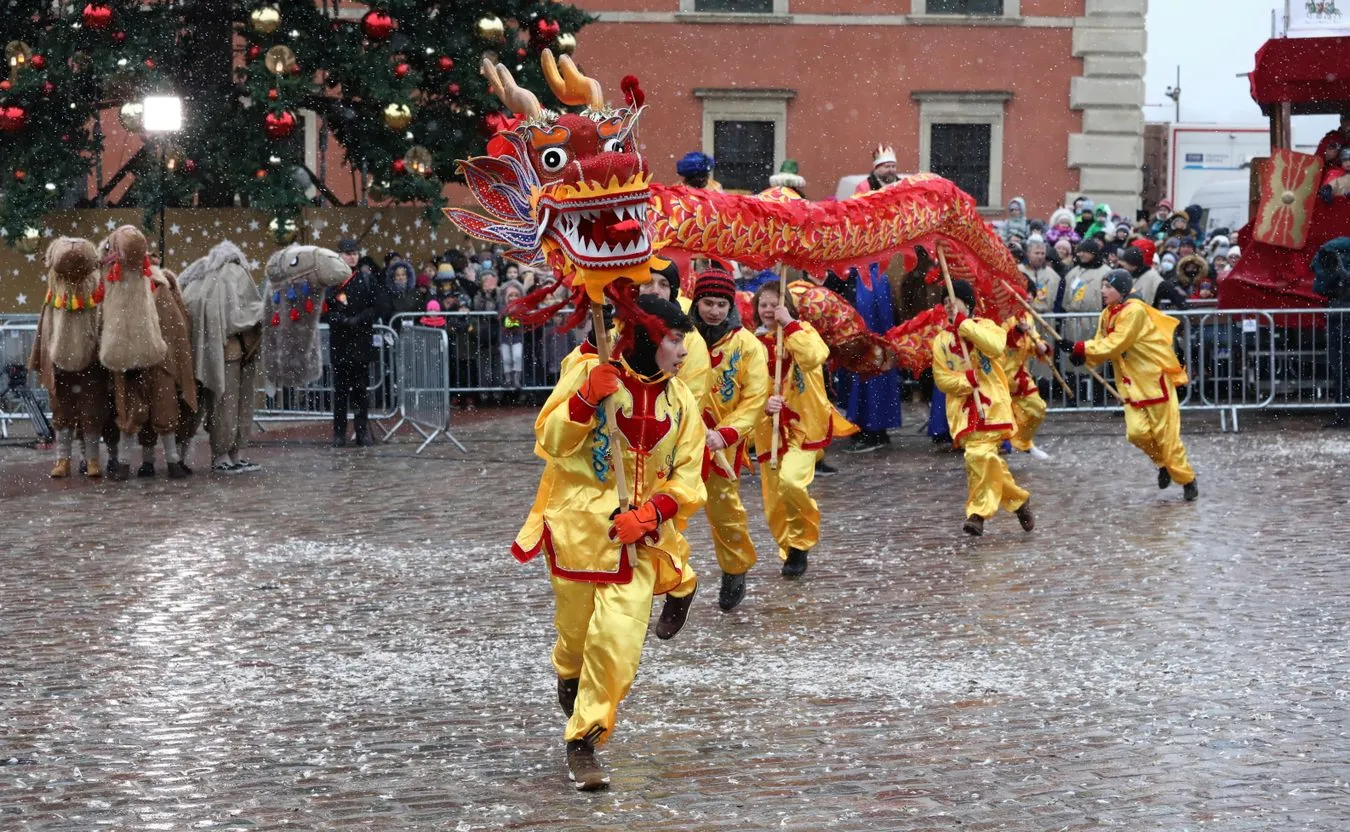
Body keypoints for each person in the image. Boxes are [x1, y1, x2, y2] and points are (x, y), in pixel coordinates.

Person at [515, 294, 706, 791]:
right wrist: (582, 402)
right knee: (576, 643)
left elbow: (688, 475)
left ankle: (584, 740)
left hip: (638, 542)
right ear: (645, 337)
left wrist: (649, 515)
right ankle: (569, 679)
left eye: (682, 338)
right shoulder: (587, 370)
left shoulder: (681, 399)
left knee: (617, 645)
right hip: (578, 532)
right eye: (672, 338)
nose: (683, 349)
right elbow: (550, 442)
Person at [1062, 269, 1198, 500]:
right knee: (1136, 433)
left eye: (1108, 287)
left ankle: (1187, 480)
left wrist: (1080, 348)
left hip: (1155, 383)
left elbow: (1116, 343)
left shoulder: (1134, 311)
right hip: (1130, 385)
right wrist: (1085, 355)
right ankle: (1162, 464)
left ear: (1121, 290)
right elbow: (1101, 343)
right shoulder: (1107, 313)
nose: (1103, 291)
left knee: (1168, 440)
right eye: (1103, 286)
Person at [688, 263, 769, 611]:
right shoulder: (682, 337)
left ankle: (734, 568)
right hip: (680, 439)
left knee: (725, 512)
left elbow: (755, 398)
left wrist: (725, 434)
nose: (714, 310)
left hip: (722, 445)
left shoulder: (747, 345)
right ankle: (664, 579)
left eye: (721, 303)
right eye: (707, 302)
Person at [931, 279, 1035, 537]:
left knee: (979, 457)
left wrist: (965, 325)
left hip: (991, 406)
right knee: (984, 461)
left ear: (967, 304)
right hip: (964, 412)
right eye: (945, 303)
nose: (949, 307)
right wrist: (966, 381)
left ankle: (977, 514)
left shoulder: (986, 326)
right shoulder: (941, 340)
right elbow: (942, 379)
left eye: (953, 302)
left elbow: (995, 347)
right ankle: (1018, 500)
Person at [752, 281, 833, 578]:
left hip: (802, 425)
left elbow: (814, 357)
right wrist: (764, 406)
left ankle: (801, 543)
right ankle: (788, 548)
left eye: (776, 304)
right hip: (767, 430)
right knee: (773, 503)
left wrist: (791, 325)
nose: (769, 310)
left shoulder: (803, 332)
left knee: (791, 483)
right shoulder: (751, 343)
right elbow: (745, 387)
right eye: (764, 304)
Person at [178, 241, 265, 474]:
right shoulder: (232, 274)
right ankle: (225, 454)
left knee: (223, 404)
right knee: (230, 405)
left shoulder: (200, 277)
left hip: (219, 352)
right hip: (232, 352)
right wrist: (262, 312)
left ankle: (227, 454)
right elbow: (240, 314)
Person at [326, 238, 378, 447]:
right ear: (339, 255)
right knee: (340, 392)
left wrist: (359, 319)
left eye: (355, 253)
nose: (352, 256)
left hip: (361, 342)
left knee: (360, 390)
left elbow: (377, 305)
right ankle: (339, 433)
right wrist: (337, 318)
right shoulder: (332, 280)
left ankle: (361, 430)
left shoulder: (366, 279)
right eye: (348, 253)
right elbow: (324, 308)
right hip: (340, 342)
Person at [1002, 303, 1053, 461]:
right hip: (997, 376)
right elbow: (999, 342)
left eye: (1029, 294)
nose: (1029, 297)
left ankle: (1022, 441)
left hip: (1019, 376)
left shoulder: (1027, 316)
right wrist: (1017, 331)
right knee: (997, 419)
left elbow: (1032, 340)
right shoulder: (996, 316)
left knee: (1037, 408)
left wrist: (1040, 346)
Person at [1312, 238, 1350, 428]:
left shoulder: (1328, 255)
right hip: (1339, 317)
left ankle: (1343, 414)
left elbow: (1320, 288)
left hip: (1339, 318)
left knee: (1341, 370)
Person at [1021, 238, 1059, 314]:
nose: (1040, 256)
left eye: (1042, 253)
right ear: (1028, 254)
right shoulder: (1019, 271)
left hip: (1046, 316)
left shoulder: (1052, 274)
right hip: (1025, 316)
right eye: (1037, 253)